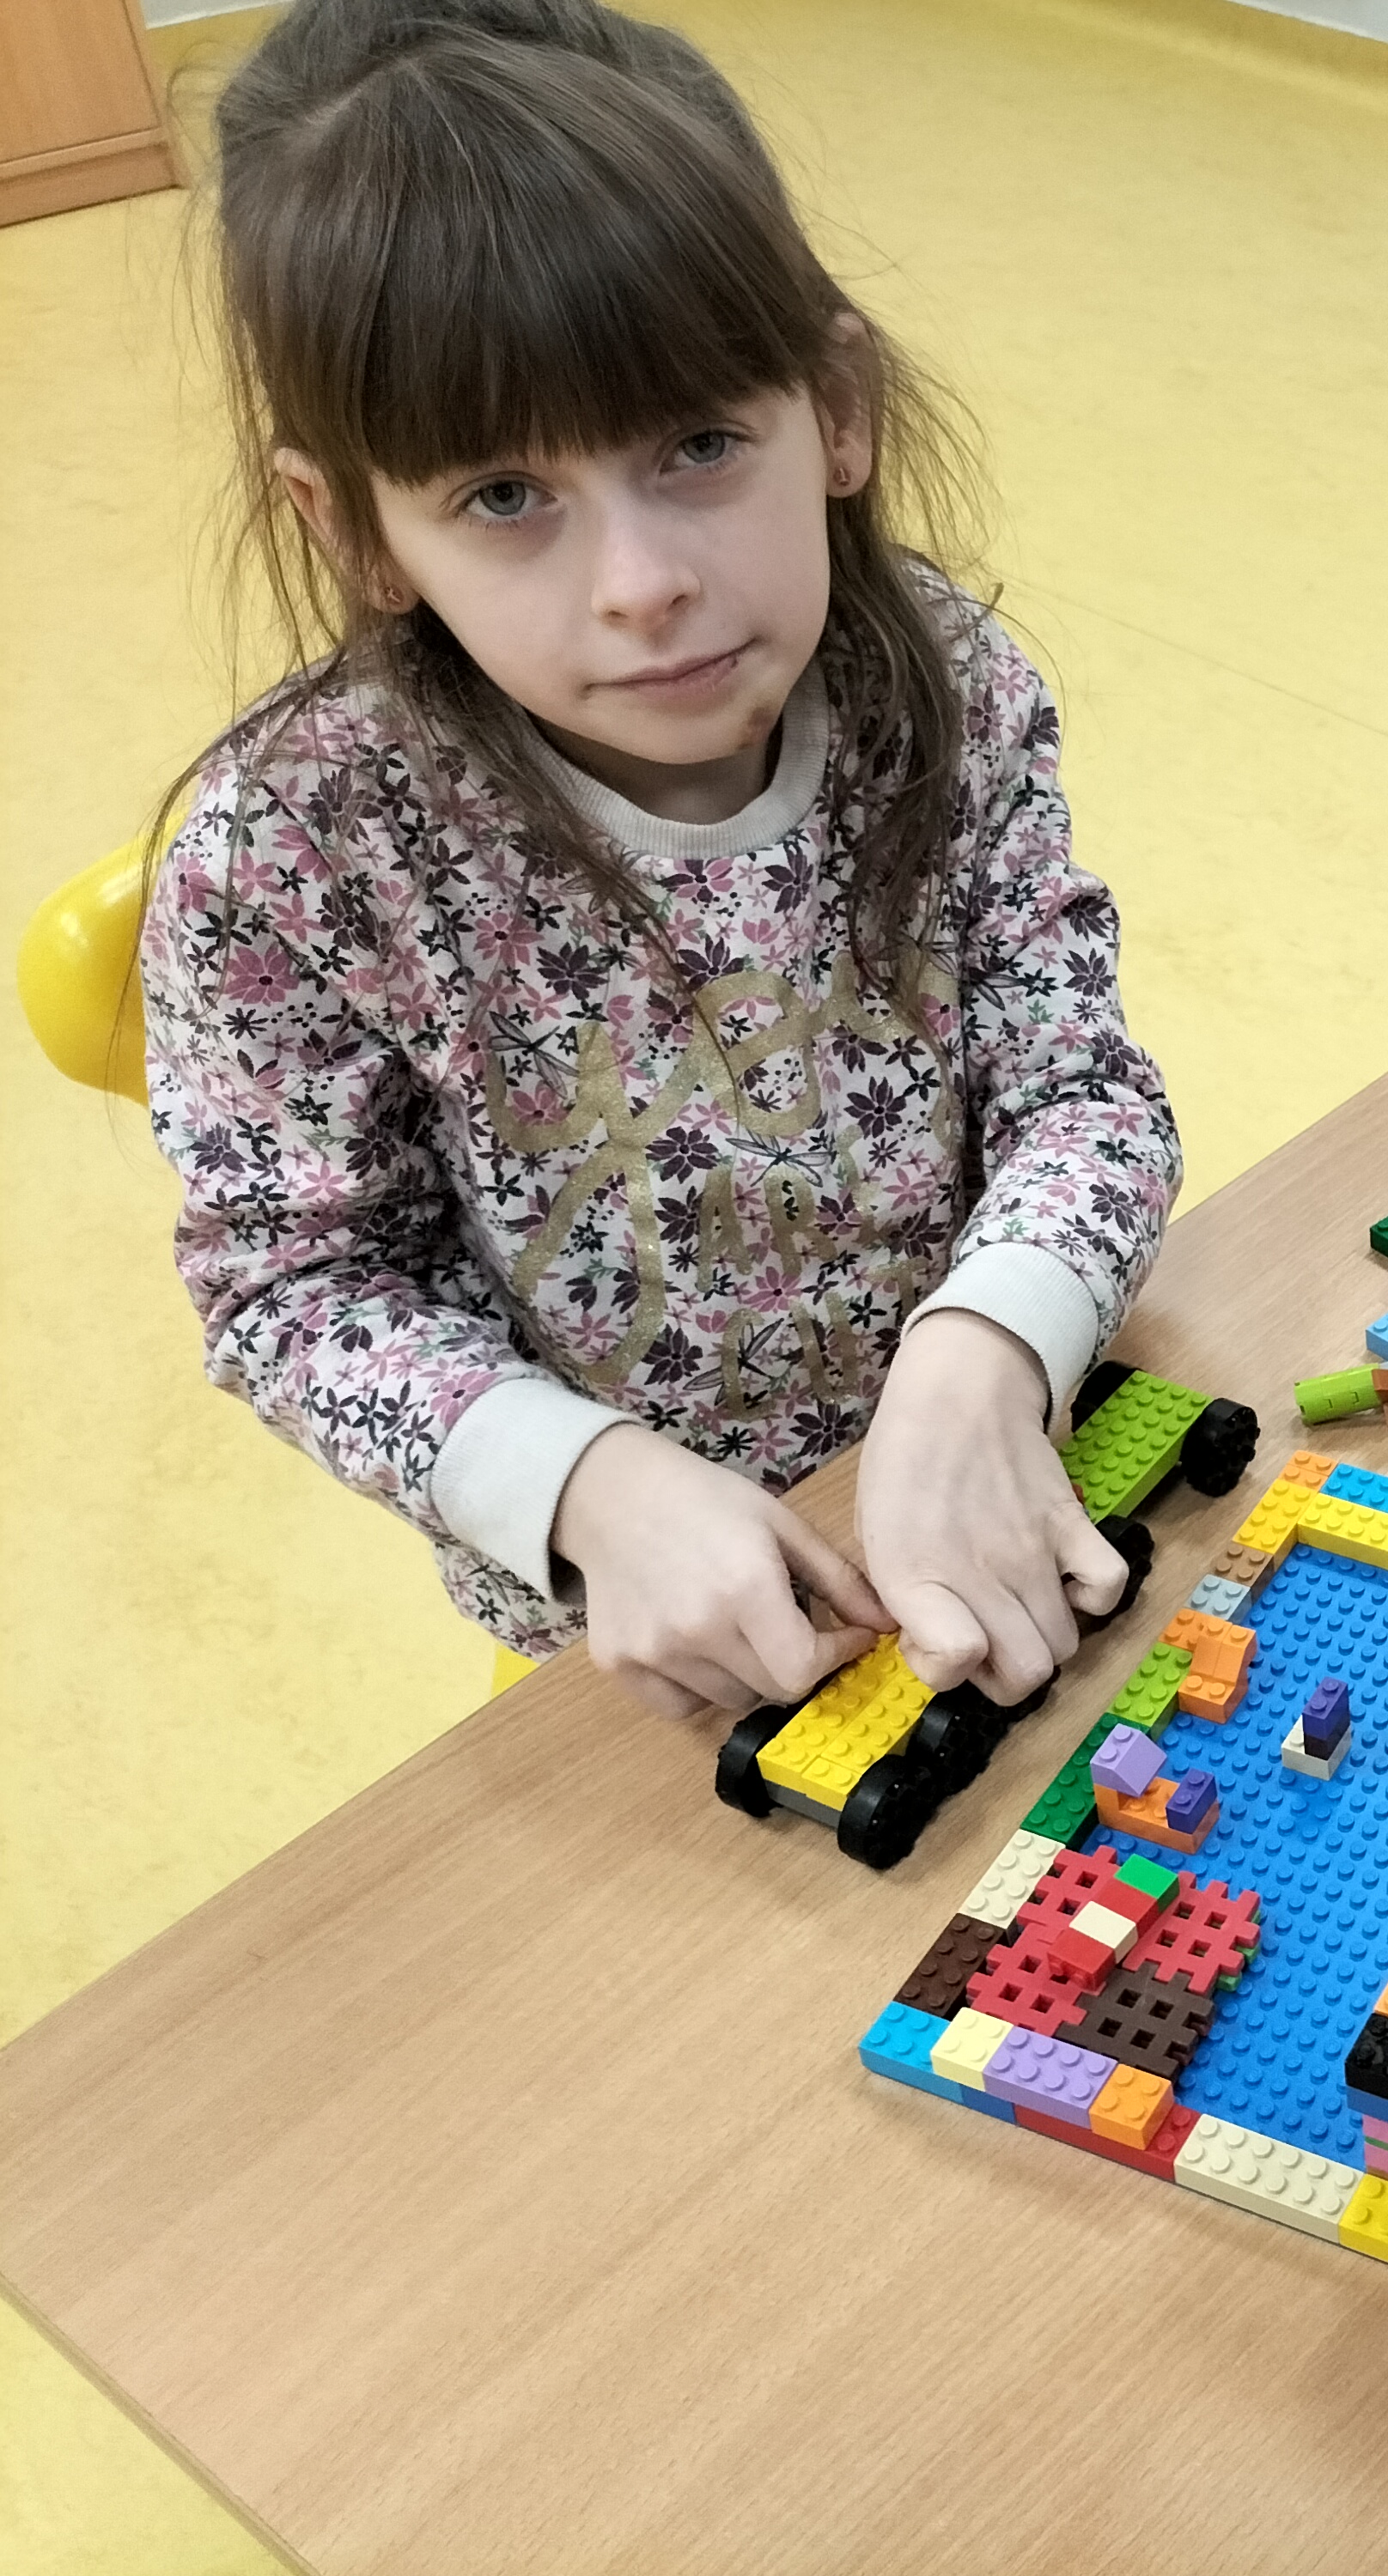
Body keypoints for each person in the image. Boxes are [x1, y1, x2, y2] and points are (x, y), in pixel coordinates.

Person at [142, 0, 1178, 1722]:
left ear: (833, 409)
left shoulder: (945, 685)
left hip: (1013, 1468)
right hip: (639, 1646)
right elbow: (289, 1287)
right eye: (502, 497)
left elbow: (1081, 1090)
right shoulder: (297, 849)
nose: (641, 585)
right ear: (358, 530)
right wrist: (581, 1486)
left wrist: (991, 1340)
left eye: (697, 444)